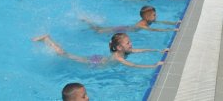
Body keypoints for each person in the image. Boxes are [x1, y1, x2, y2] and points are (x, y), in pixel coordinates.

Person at [32, 33, 166, 68]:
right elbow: (134, 65)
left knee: (67, 55)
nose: (131, 44)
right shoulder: (119, 57)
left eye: (130, 42)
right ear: (119, 47)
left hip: (100, 59)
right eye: (128, 43)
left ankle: (47, 39)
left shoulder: (126, 51)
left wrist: (158, 50)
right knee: (65, 55)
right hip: (96, 62)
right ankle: (47, 39)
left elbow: (140, 50)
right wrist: (153, 65)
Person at [82, 5, 180, 33]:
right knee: (99, 30)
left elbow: (161, 22)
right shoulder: (142, 25)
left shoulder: (149, 21)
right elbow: (153, 29)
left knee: (100, 29)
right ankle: (87, 22)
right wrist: (170, 30)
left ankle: (89, 22)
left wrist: (175, 23)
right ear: (146, 17)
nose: (156, 17)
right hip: (123, 29)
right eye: (154, 15)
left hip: (126, 28)